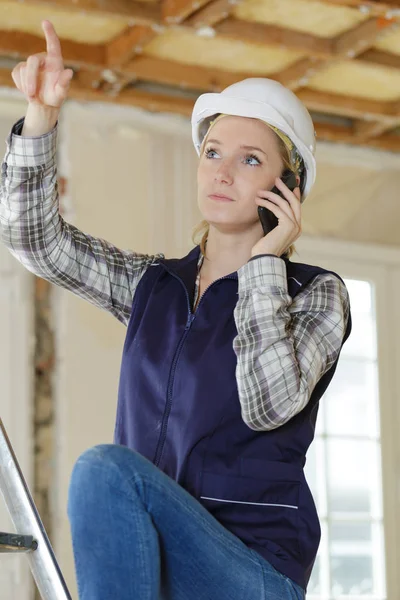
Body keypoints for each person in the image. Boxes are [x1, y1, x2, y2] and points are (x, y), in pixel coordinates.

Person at [0, 19, 352, 600]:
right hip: (160, 570)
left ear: (287, 186)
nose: (220, 169)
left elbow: (270, 404)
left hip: (254, 574)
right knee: (105, 474)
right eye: (213, 151)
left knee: (102, 469)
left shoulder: (316, 294)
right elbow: (37, 242)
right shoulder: (153, 286)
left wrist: (263, 265)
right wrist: (39, 118)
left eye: (249, 160)